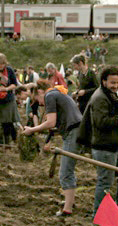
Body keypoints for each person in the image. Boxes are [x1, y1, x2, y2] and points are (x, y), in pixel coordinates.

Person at [23, 79, 82, 216]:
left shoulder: (50, 95)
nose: (40, 103)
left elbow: (50, 122)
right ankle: (69, 201)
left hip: (73, 132)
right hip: (76, 130)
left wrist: (32, 130)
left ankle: (67, 209)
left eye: (37, 100)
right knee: (68, 169)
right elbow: (56, 124)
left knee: (65, 171)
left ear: (39, 92)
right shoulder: (58, 93)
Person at [81, 65, 118, 215]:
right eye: (112, 83)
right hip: (104, 147)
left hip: (114, 146)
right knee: (105, 182)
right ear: (104, 81)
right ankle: (99, 213)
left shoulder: (110, 95)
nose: (116, 86)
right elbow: (101, 123)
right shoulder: (99, 98)